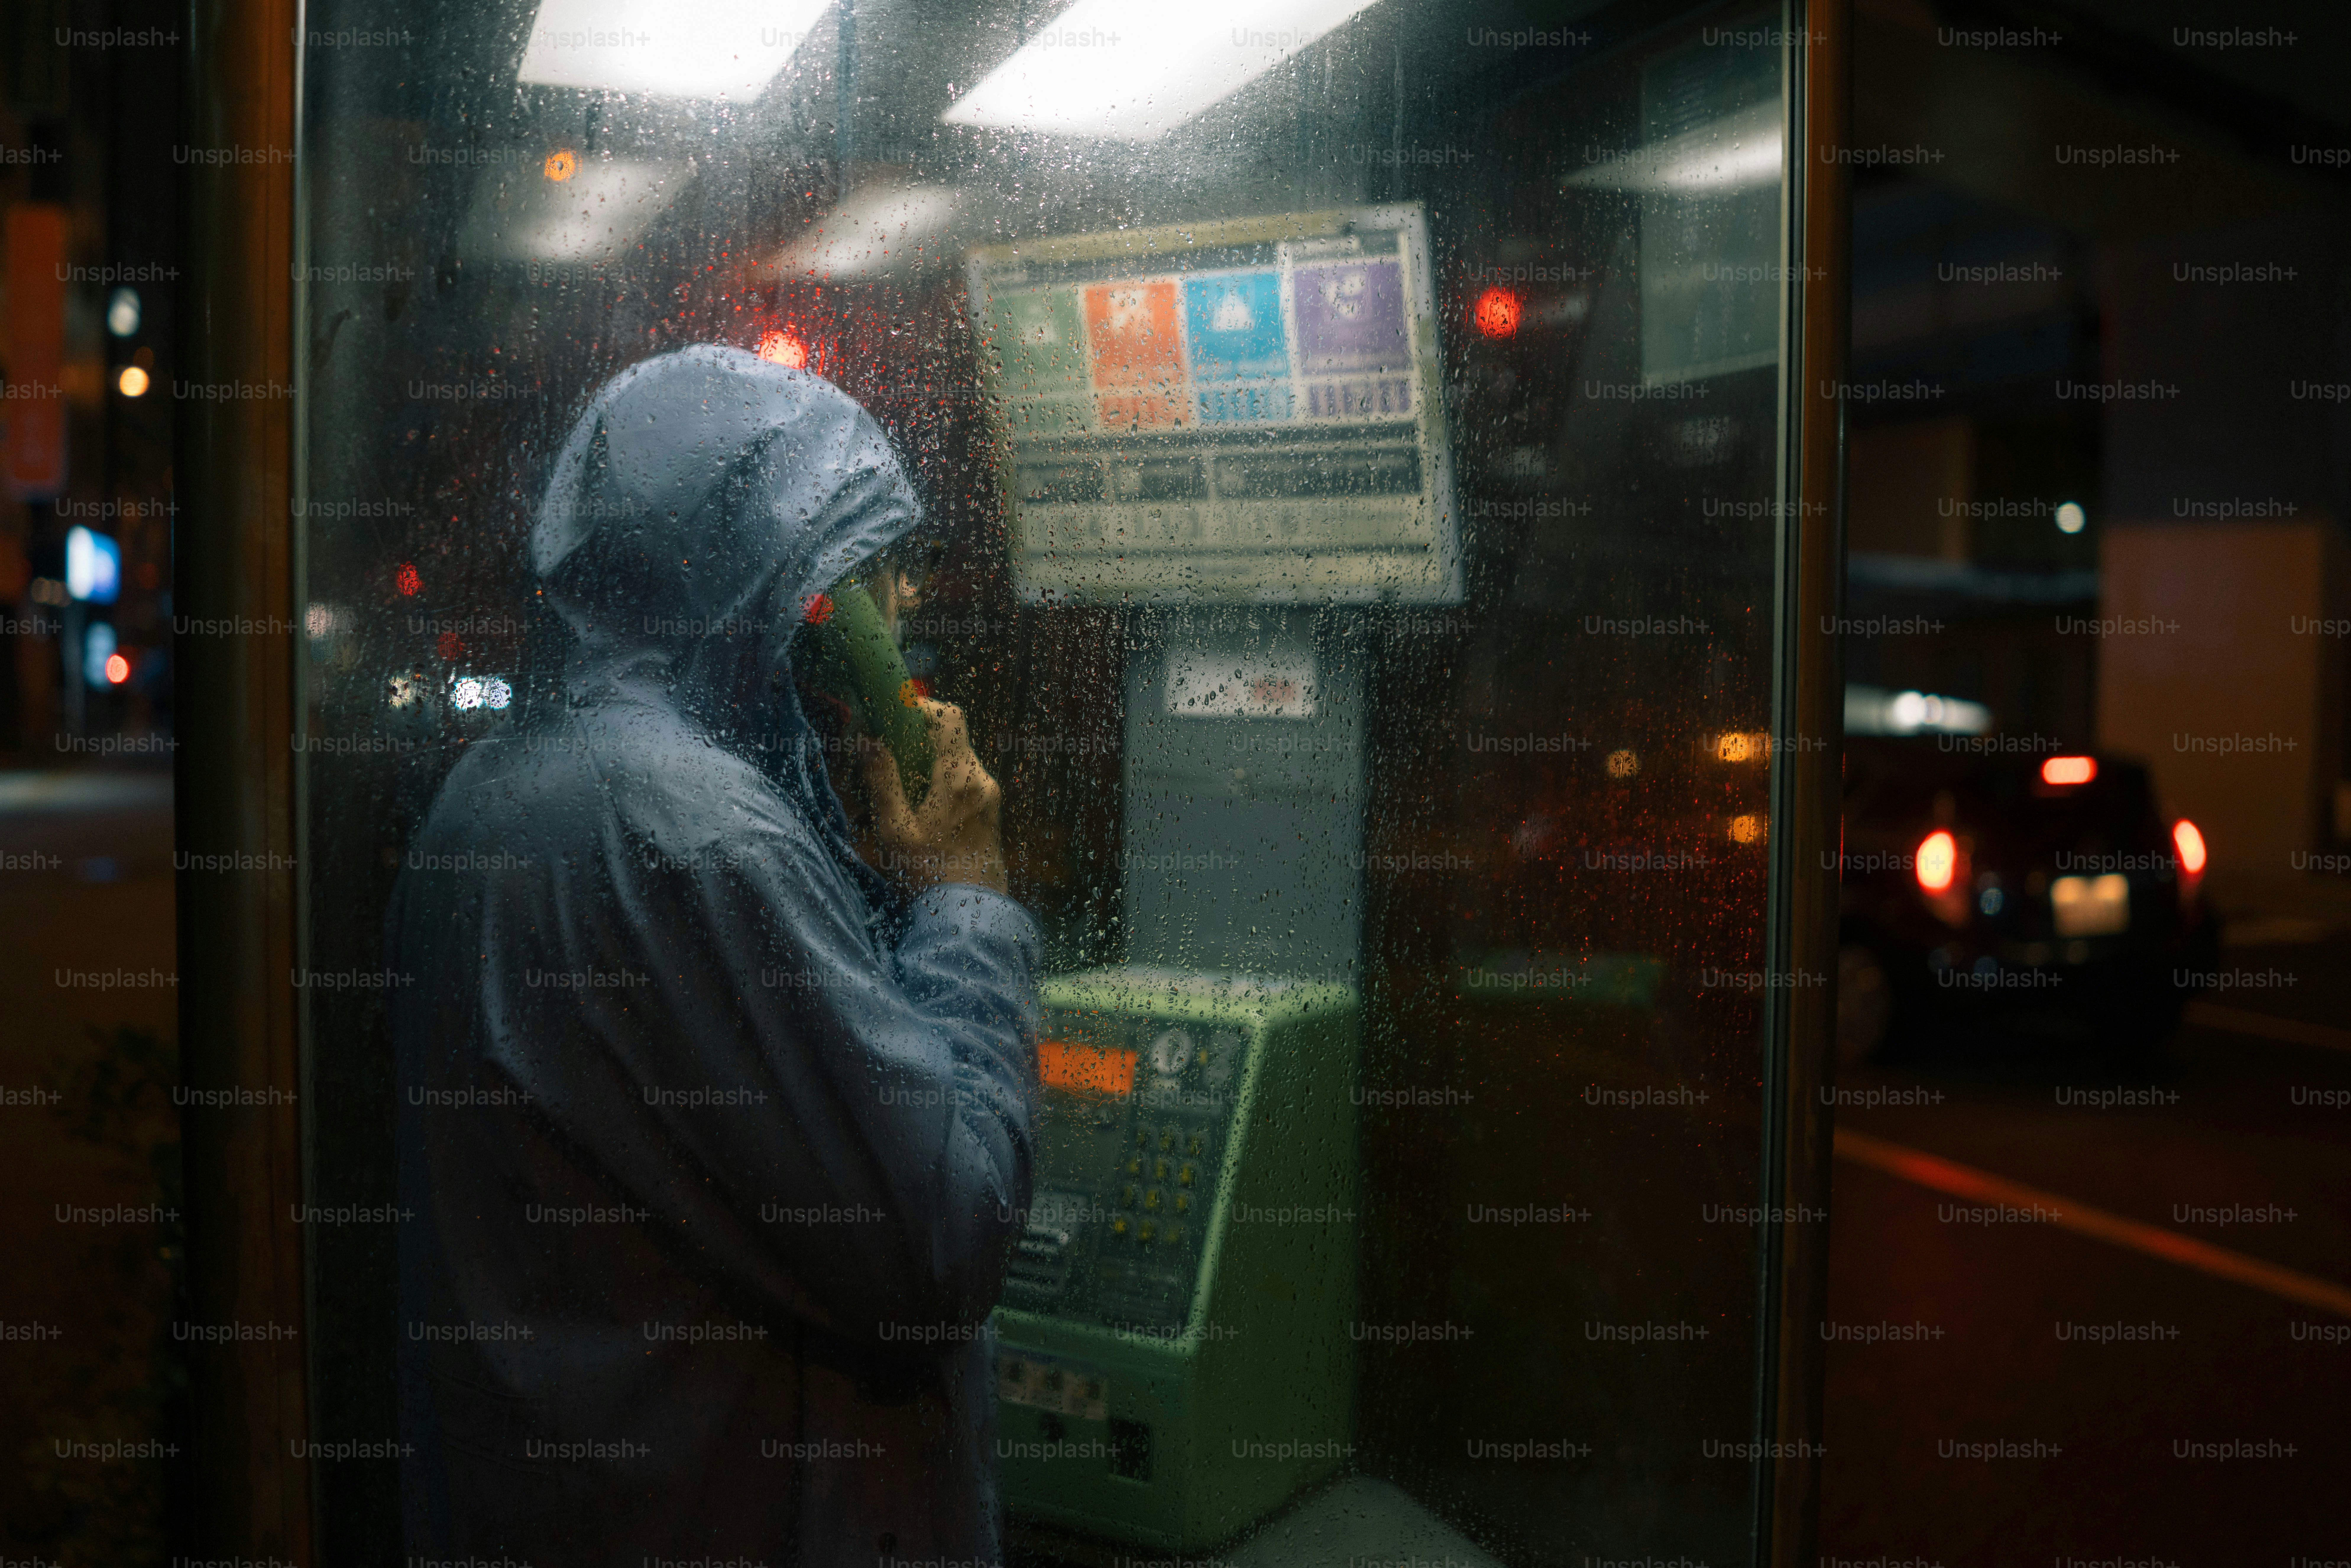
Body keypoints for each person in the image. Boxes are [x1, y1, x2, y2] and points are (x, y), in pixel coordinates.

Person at [389, 344, 1040, 1565]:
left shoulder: (498, 787)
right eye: (870, 568)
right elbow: (935, 1251)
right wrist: (964, 899)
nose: (899, 609)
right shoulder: (694, 837)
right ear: (777, 573)